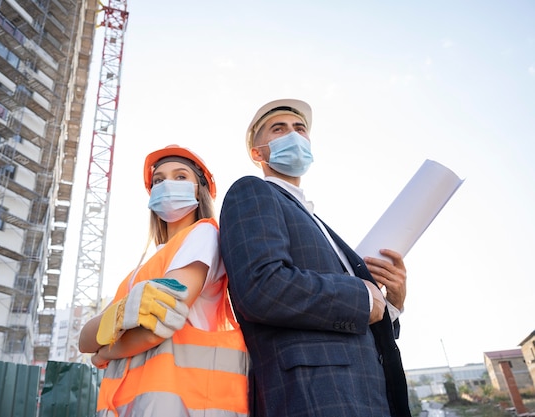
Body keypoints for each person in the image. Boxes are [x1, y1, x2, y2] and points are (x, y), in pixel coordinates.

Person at [219, 99, 411, 417]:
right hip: (314, 395)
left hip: (368, 395)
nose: (293, 135)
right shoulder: (253, 192)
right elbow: (261, 287)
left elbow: (366, 319)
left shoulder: (317, 221)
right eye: (279, 129)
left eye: (300, 129)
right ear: (258, 153)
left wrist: (391, 303)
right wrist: (363, 297)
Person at [79, 145, 248, 417]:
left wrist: (106, 352)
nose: (167, 184)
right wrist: (121, 314)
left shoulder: (204, 235)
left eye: (180, 177)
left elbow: (158, 323)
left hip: (181, 406)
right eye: (159, 180)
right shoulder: (139, 272)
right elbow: (85, 340)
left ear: (199, 189)